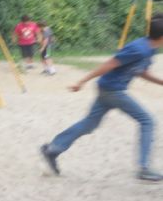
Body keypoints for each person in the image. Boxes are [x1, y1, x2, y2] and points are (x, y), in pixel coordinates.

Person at [39, 13, 163, 181]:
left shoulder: (150, 49)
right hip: (113, 90)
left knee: (89, 124)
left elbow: (141, 71)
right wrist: (82, 81)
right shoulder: (139, 48)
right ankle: (144, 168)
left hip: (108, 89)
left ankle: (52, 149)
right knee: (147, 121)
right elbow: (109, 64)